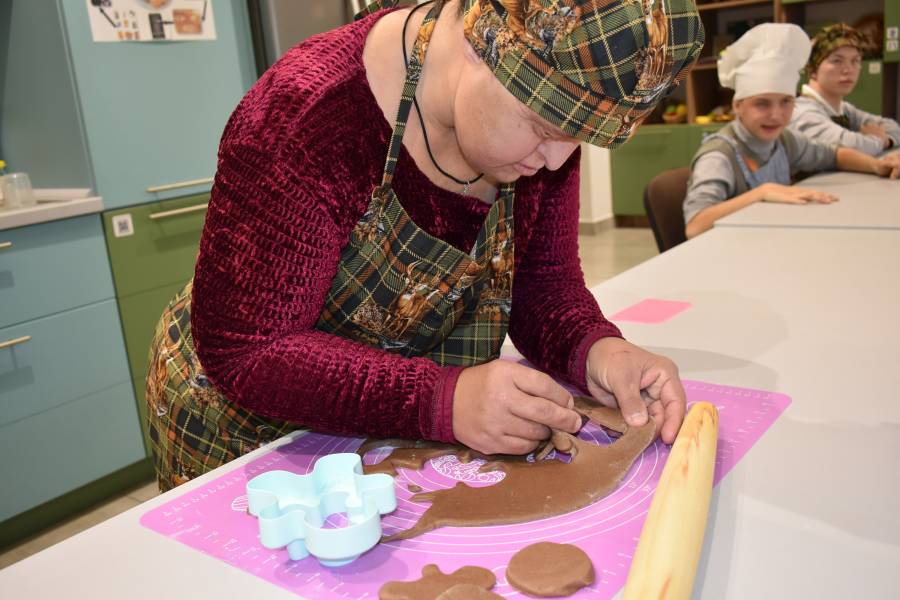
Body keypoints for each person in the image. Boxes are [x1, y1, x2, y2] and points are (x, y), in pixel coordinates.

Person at [146, 0, 705, 491]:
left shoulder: (545, 121)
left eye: (580, 137)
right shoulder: (306, 115)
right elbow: (248, 349)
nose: (558, 161)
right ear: (474, 44)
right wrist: (441, 400)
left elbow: (544, 289)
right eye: (544, 126)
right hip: (252, 431)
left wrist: (600, 352)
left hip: (401, 414)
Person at [684, 23, 900, 239]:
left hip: (767, 236)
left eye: (786, 102)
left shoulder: (784, 140)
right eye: (762, 104)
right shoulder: (719, 156)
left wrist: (877, 166)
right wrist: (762, 192)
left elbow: (834, 155)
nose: (776, 115)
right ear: (737, 105)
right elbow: (695, 225)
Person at [790, 23, 900, 156]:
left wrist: (886, 140)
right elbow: (849, 147)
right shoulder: (802, 113)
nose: (848, 70)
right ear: (813, 70)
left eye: (855, 61)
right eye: (837, 61)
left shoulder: (842, 109)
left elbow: (892, 126)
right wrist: (878, 139)